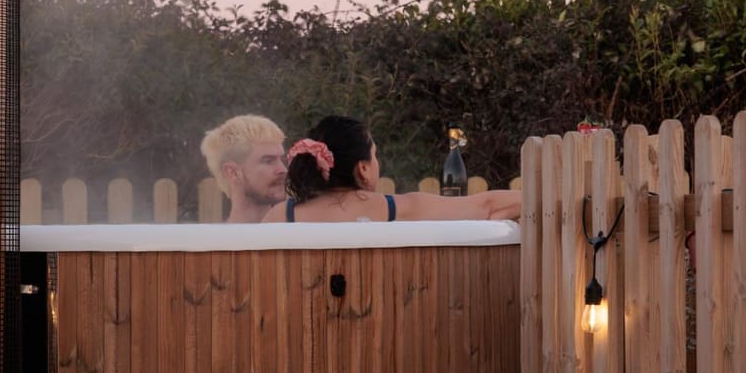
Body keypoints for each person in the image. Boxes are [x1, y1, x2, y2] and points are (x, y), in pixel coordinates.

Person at [260, 116, 521, 223]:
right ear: (363, 168)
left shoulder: (281, 216)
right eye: (374, 155)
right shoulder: (399, 209)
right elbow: (488, 206)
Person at [200, 114, 288, 223]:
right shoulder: (210, 235)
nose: (283, 170)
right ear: (232, 172)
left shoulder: (298, 231)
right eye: (268, 161)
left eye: (281, 159)